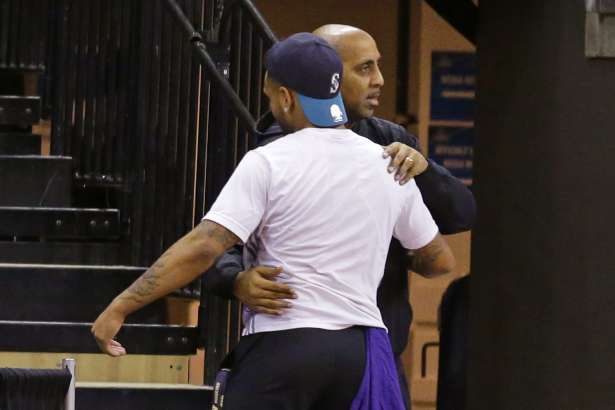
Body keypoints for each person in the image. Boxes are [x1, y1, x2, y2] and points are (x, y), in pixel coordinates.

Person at [92, 32, 455, 409]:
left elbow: (204, 246)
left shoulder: (269, 161)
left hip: (284, 346)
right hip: (359, 354)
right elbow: (439, 260)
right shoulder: (386, 163)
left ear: (286, 97)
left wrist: (121, 306)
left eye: (270, 96)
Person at [204, 24, 476, 408]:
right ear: (326, 79)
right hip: (290, 349)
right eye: (364, 69)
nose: (379, 80)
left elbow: (462, 214)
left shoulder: (390, 142)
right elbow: (218, 239)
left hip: (374, 350)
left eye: (378, 67)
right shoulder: (271, 150)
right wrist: (236, 280)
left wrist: (425, 170)